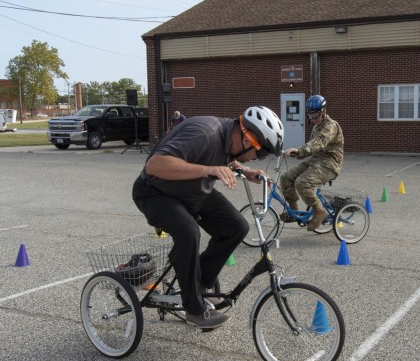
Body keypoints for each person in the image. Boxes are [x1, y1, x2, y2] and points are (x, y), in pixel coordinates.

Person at [132, 106, 283, 329]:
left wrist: (245, 171)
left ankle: (199, 283)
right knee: (188, 231)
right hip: (155, 192)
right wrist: (207, 170)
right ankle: (193, 308)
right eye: (260, 152)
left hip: (191, 191)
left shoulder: (228, 137)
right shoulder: (204, 133)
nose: (258, 158)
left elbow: (226, 158)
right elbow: (154, 165)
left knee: (236, 227)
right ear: (246, 137)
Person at [281, 95, 344, 231]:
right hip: (315, 161)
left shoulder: (331, 126)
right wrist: (293, 152)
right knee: (286, 177)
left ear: (323, 111)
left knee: (301, 182)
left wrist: (299, 150)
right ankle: (294, 211)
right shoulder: (316, 127)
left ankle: (319, 211)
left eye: (315, 115)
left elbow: (319, 142)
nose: (313, 119)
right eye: (310, 116)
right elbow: (311, 149)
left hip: (330, 163)